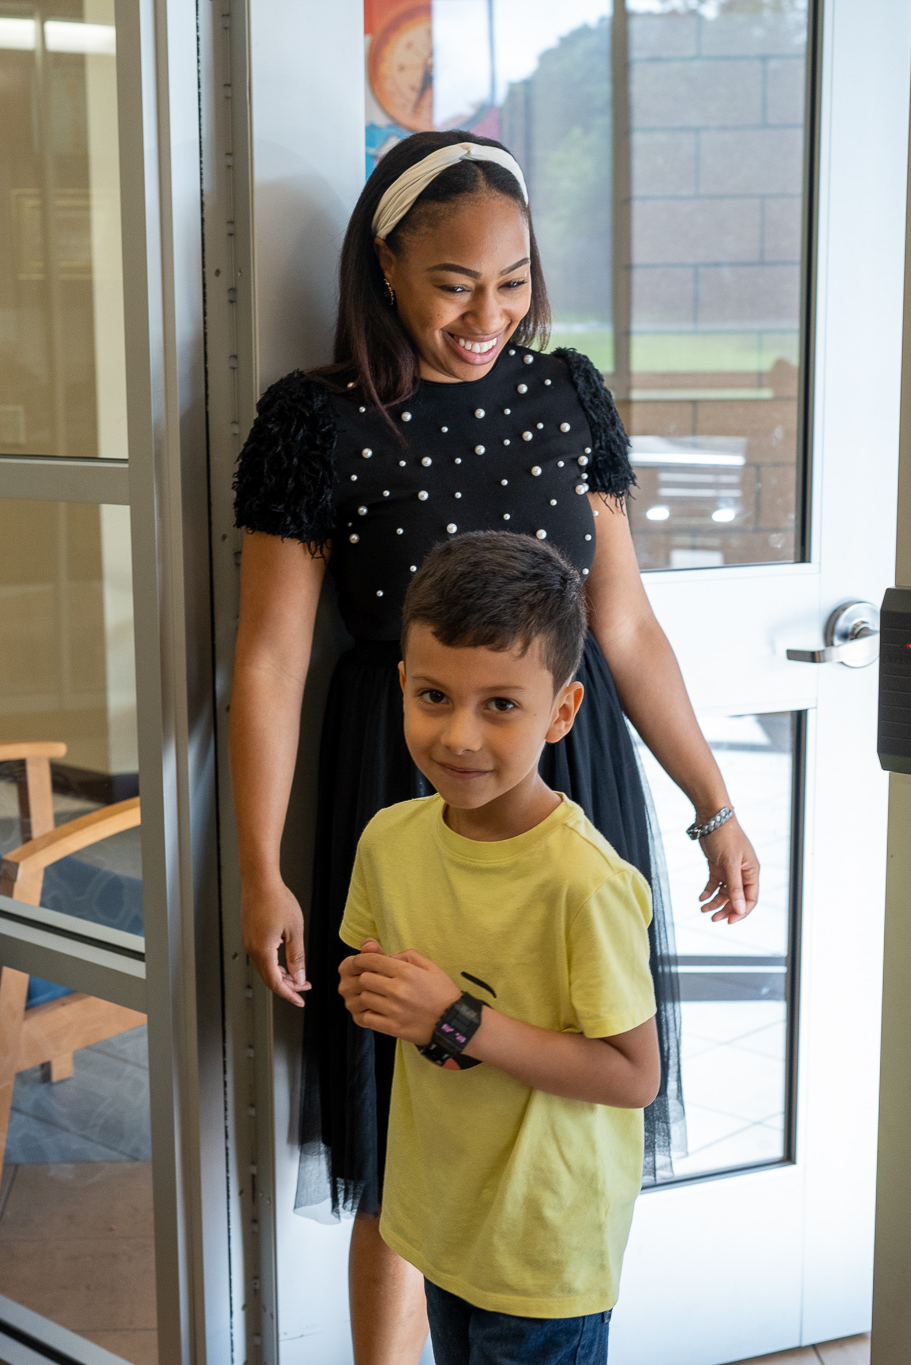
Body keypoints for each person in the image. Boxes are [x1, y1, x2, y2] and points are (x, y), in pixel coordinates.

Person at [230, 128, 761, 1361]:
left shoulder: (566, 394)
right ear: (386, 266)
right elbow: (267, 659)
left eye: (512, 280)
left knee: (558, 1076)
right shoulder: (315, 422)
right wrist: (260, 867)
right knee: (403, 1120)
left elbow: (620, 623)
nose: (487, 313)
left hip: (564, 778)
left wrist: (711, 801)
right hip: (400, 784)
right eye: (454, 283)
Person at [339, 532, 658, 1365]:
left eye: (501, 705)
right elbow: (381, 984)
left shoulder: (586, 883)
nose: (461, 737)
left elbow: (633, 1074)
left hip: (544, 1245)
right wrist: (374, 991)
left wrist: (453, 1018)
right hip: (446, 1219)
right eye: (436, 696)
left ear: (561, 712)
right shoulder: (389, 841)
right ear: (403, 684)